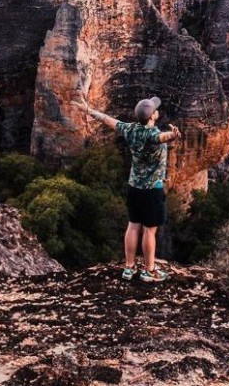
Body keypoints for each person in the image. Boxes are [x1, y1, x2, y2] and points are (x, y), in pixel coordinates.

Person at [75, 94, 180, 282]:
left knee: (133, 226)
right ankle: (149, 270)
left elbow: (108, 120)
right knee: (149, 231)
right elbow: (162, 137)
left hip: (134, 188)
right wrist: (173, 136)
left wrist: (88, 110)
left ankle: (129, 268)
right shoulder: (153, 135)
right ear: (152, 116)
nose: (157, 111)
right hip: (152, 190)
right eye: (155, 110)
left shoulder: (130, 129)